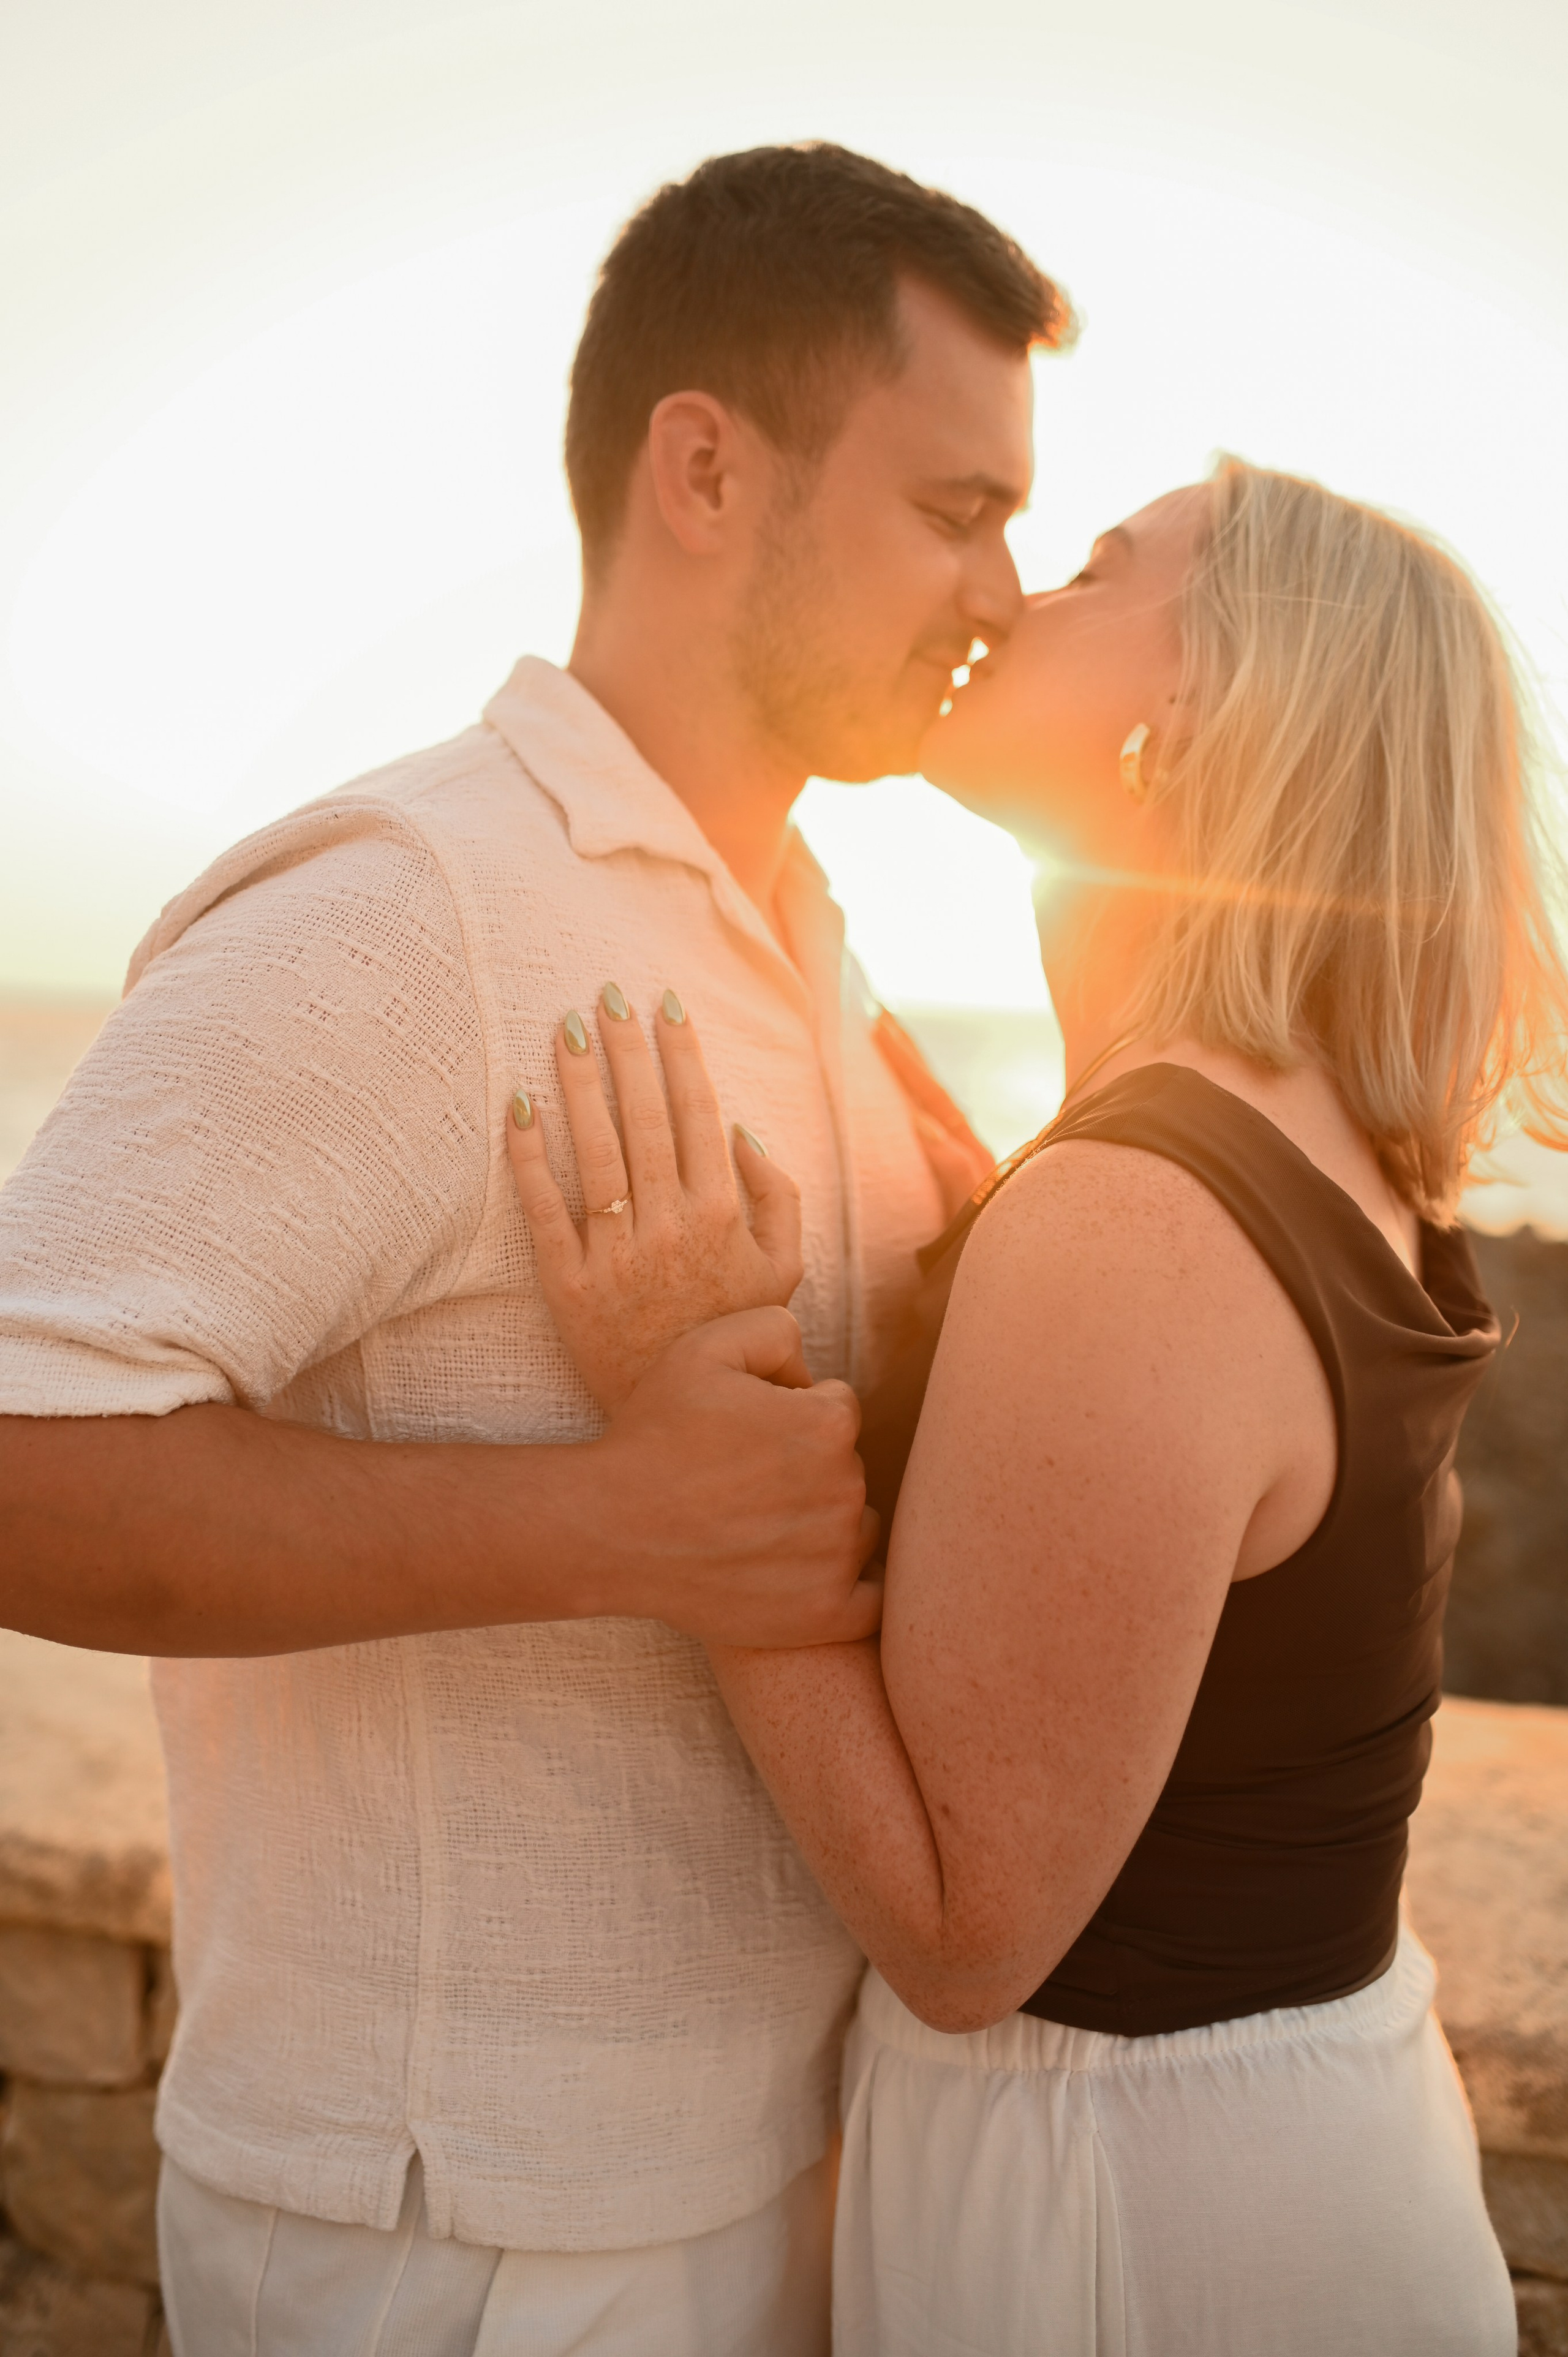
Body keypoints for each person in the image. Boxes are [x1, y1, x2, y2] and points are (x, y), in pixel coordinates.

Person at [0, 146, 1068, 2353]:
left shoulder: (809, 939)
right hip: (459, 2234)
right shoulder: (415, 907)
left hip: (776, 2166)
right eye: (955, 509)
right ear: (705, 468)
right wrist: (611, 1524)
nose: (1003, 583)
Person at [508, 458, 1568, 2353]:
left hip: (1124, 2216)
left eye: (1095, 569)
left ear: (1205, 715)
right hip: (1278, 2148)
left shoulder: (1133, 1223)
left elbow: (962, 1929)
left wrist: (693, 1427)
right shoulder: (1309, 1145)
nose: (1009, 591)